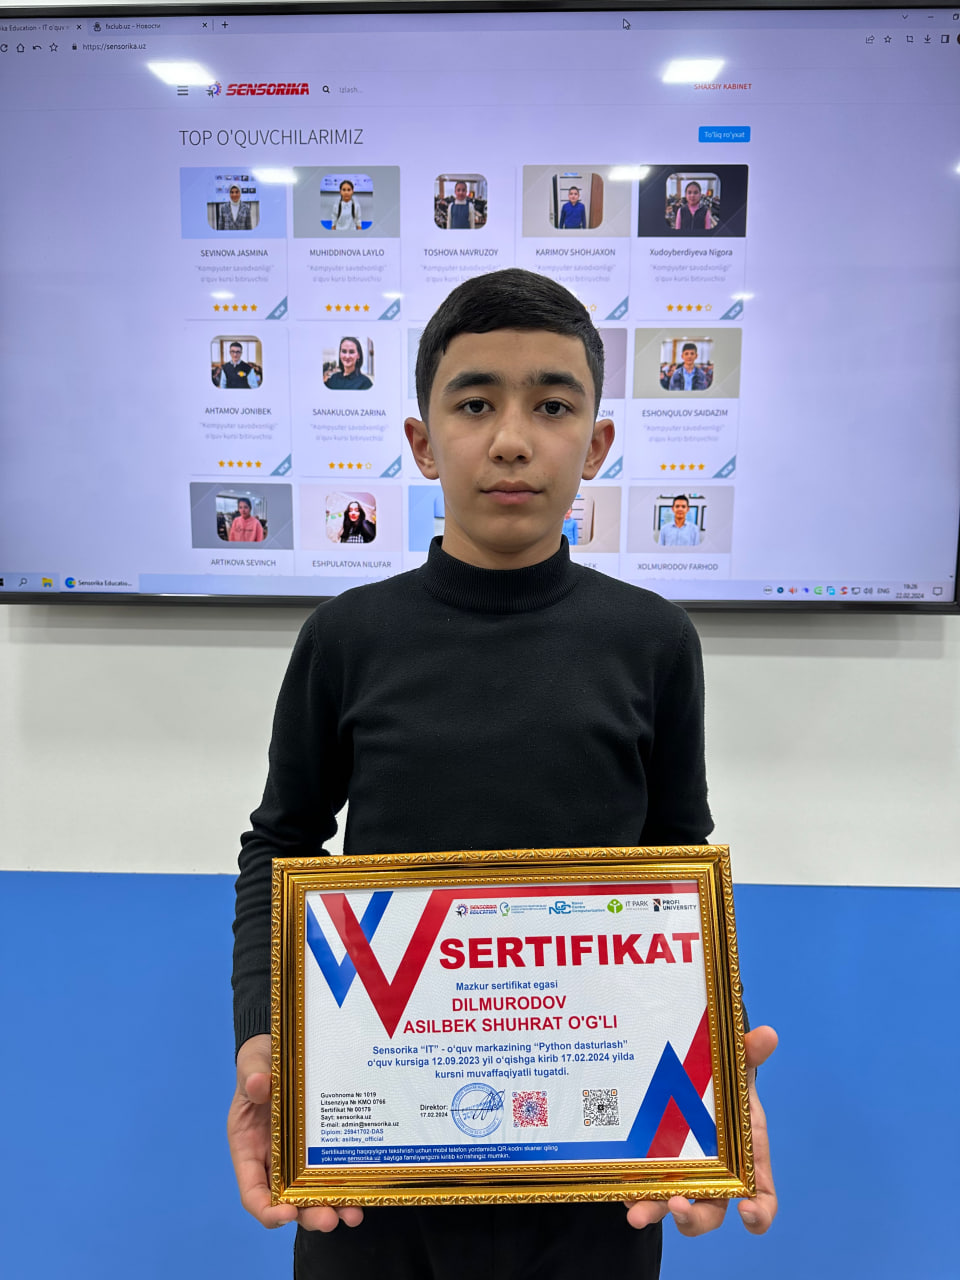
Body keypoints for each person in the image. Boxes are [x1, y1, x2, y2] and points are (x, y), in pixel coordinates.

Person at [228, 268, 777, 1279]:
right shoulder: (347, 637)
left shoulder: (654, 640)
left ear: (596, 445)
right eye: (475, 404)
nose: (513, 439)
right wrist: (266, 1037)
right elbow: (282, 842)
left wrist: (713, 1081)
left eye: (552, 406)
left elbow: (677, 867)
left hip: (597, 1166)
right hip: (375, 1155)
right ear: (422, 441)